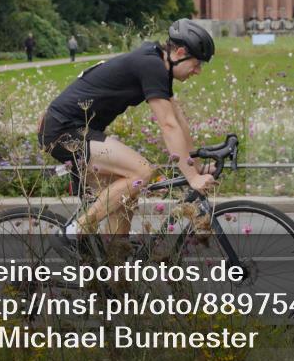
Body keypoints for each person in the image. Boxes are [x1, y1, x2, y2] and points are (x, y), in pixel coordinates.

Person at [38, 19, 216, 241]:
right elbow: (168, 125)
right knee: (141, 172)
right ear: (179, 52)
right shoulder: (151, 65)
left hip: (75, 128)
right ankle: (74, 232)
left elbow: (179, 123)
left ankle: (116, 267)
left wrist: (195, 167)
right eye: (197, 63)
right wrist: (191, 178)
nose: (198, 71)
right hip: (63, 129)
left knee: (124, 200)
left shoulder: (157, 64)